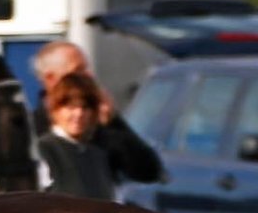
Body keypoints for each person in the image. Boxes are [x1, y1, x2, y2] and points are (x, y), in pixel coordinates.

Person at [36, 70, 163, 200]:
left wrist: (114, 121)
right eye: (70, 107)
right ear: (55, 110)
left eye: (85, 108)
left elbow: (149, 172)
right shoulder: (44, 149)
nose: (79, 114)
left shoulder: (103, 146)